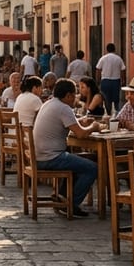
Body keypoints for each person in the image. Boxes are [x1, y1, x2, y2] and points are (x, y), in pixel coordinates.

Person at [33, 79, 101, 217]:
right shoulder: (64, 108)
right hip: (51, 157)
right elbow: (81, 134)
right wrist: (94, 126)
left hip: (40, 155)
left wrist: (80, 121)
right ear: (68, 95)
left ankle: (63, 197)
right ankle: (72, 204)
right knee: (92, 168)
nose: (75, 98)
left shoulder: (50, 103)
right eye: (74, 94)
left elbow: (69, 122)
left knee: (80, 162)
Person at [95, 43, 126, 115]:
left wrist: (98, 80)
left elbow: (98, 69)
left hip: (105, 81)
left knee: (106, 99)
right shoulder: (118, 58)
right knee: (116, 99)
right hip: (116, 80)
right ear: (114, 49)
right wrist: (123, 80)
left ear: (107, 49)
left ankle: (108, 113)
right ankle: (117, 112)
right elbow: (123, 69)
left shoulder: (103, 58)